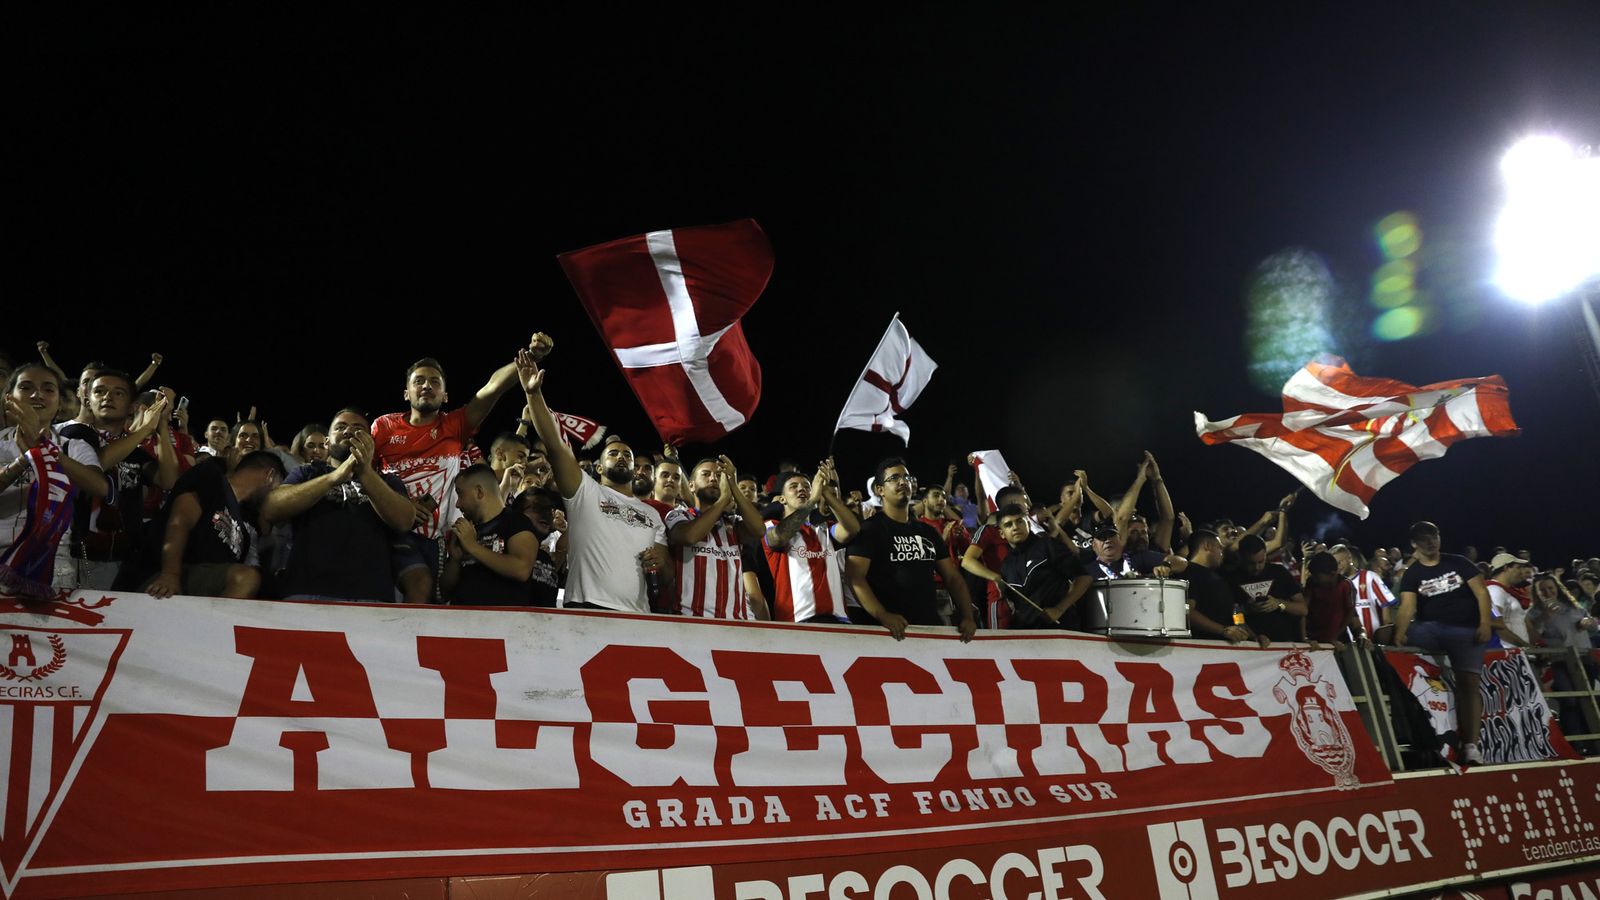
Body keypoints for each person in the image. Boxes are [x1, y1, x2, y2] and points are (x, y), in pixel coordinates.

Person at [373, 335, 548, 603]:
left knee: (425, 605)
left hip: (432, 541)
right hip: (386, 531)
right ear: (406, 393)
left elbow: (491, 389)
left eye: (435, 382)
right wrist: (401, 506)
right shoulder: (383, 427)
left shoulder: (454, 426)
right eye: (418, 381)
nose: (426, 386)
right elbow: (366, 476)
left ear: (445, 396)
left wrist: (530, 358)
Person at [517, 349, 669, 613]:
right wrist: (533, 395)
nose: (621, 458)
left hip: (638, 614)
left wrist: (659, 562)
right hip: (587, 607)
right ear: (598, 467)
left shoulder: (652, 515)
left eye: (627, 455)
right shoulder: (585, 491)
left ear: (635, 470)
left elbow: (664, 574)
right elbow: (555, 445)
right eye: (613, 454)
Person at [260, 409, 415, 602]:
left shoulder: (388, 481)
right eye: (341, 427)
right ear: (327, 442)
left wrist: (364, 472)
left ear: (370, 441)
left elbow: (404, 521)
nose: (349, 431)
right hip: (307, 594)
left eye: (358, 428)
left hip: (371, 598)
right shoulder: (306, 473)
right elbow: (271, 508)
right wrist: (334, 477)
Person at [56, 373, 178, 589]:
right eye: (99, 391)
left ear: (131, 406)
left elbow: (167, 480)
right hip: (78, 556)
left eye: (118, 393)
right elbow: (96, 465)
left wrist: (162, 424)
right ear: (88, 400)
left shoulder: (134, 449)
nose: (107, 397)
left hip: (124, 559)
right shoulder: (74, 433)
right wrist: (145, 429)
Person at [1, 364, 110, 599]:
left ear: (60, 403)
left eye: (48, 389)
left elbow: (99, 486)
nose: (37, 394)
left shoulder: (73, 446)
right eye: (26, 387)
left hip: (50, 564)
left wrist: (44, 448)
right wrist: (24, 460)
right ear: (9, 399)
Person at [1394, 520, 1493, 766]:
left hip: (1465, 629)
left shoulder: (1459, 562)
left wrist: (1485, 623)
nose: (1431, 541)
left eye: (1434, 535)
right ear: (1414, 544)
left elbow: (1482, 592)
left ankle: (1471, 745)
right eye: (1424, 538)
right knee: (1386, 636)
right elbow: (1407, 606)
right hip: (1431, 629)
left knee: (1469, 685)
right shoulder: (1413, 573)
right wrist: (1399, 634)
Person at [847, 458, 978, 641]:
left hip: (928, 629)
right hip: (887, 633)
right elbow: (855, 578)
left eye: (906, 477)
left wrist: (967, 616)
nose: (902, 482)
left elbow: (952, 577)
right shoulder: (869, 530)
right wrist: (883, 615)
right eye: (894, 478)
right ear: (880, 490)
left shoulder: (928, 532)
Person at [127, 450, 285, 599]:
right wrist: (170, 575)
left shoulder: (246, 522)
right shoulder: (212, 477)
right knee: (246, 578)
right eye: (278, 487)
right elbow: (180, 522)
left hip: (202, 595)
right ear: (269, 475)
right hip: (163, 581)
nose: (274, 496)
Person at [667, 456, 770, 620]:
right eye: (706, 474)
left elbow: (759, 530)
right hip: (692, 620)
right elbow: (690, 536)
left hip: (736, 622)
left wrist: (734, 486)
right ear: (691, 486)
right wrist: (723, 500)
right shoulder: (679, 515)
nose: (713, 478)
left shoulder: (733, 523)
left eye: (719, 476)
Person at [764, 462, 861, 624]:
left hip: (839, 619)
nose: (801, 489)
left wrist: (827, 494)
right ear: (782, 499)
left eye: (807, 486)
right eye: (793, 486)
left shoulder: (824, 528)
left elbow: (852, 529)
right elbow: (778, 539)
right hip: (798, 620)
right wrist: (812, 500)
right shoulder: (771, 525)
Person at [441, 464, 539, 606]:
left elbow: (521, 569)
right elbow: (444, 593)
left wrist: (473, 547)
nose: (457, 504)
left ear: (479, 492)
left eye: (460, 494)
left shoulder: (516, 522)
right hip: (461, 622)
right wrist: (455, 560)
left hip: (501, 624)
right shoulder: (467, 530)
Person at [988, 503, 1093, 629]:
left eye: (1019, 521)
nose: (1015, 527)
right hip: (1028, 637)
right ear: (1002, 533)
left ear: (1028, 524)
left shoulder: (1048, 545)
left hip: (1061, 631)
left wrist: (1059, 609)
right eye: (1008, 525)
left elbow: (1084, 578)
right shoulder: (1006, 565)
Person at [1227, 534, 1308, 644]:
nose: (1257, 567)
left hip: (1285, 643)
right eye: (1251, 563)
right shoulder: (1232, 578)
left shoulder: (1279, 572)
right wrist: (1247, 611)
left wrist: (1279, 604)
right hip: (1253, 645)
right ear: (1241, 557)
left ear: (1265, 554)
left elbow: (1302, 609)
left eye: (1261, 562)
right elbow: (1234, 614)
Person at [1333, 543, 1396, 638]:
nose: (1338, 566)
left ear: (1349, 558)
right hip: (1349, 642)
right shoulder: (1337, 585)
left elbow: (1385, 604)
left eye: (1340, 562)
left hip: (1374, 640)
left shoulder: (1369, 577)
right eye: (1335, 564)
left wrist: (1386, 633)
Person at [1302, 551, 1360, 645]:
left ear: (1333, 574)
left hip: (1337, 639)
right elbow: (1304, 610)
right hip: (1313, 639)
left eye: (1317, 576)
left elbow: (1350, 613)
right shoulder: (1312, 582)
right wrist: (1304, 637)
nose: (1314, 579)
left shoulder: (1346, 585)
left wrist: (1334, 637)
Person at [1484, 551, 1533, 649]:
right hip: (1506, 653)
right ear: (1506, 568)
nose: (1521, 572)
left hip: (1515, 652)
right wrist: (1525, 645)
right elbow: (1497, 625)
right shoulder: (1495, 590)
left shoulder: (1506, 591)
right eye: (1518, 568)